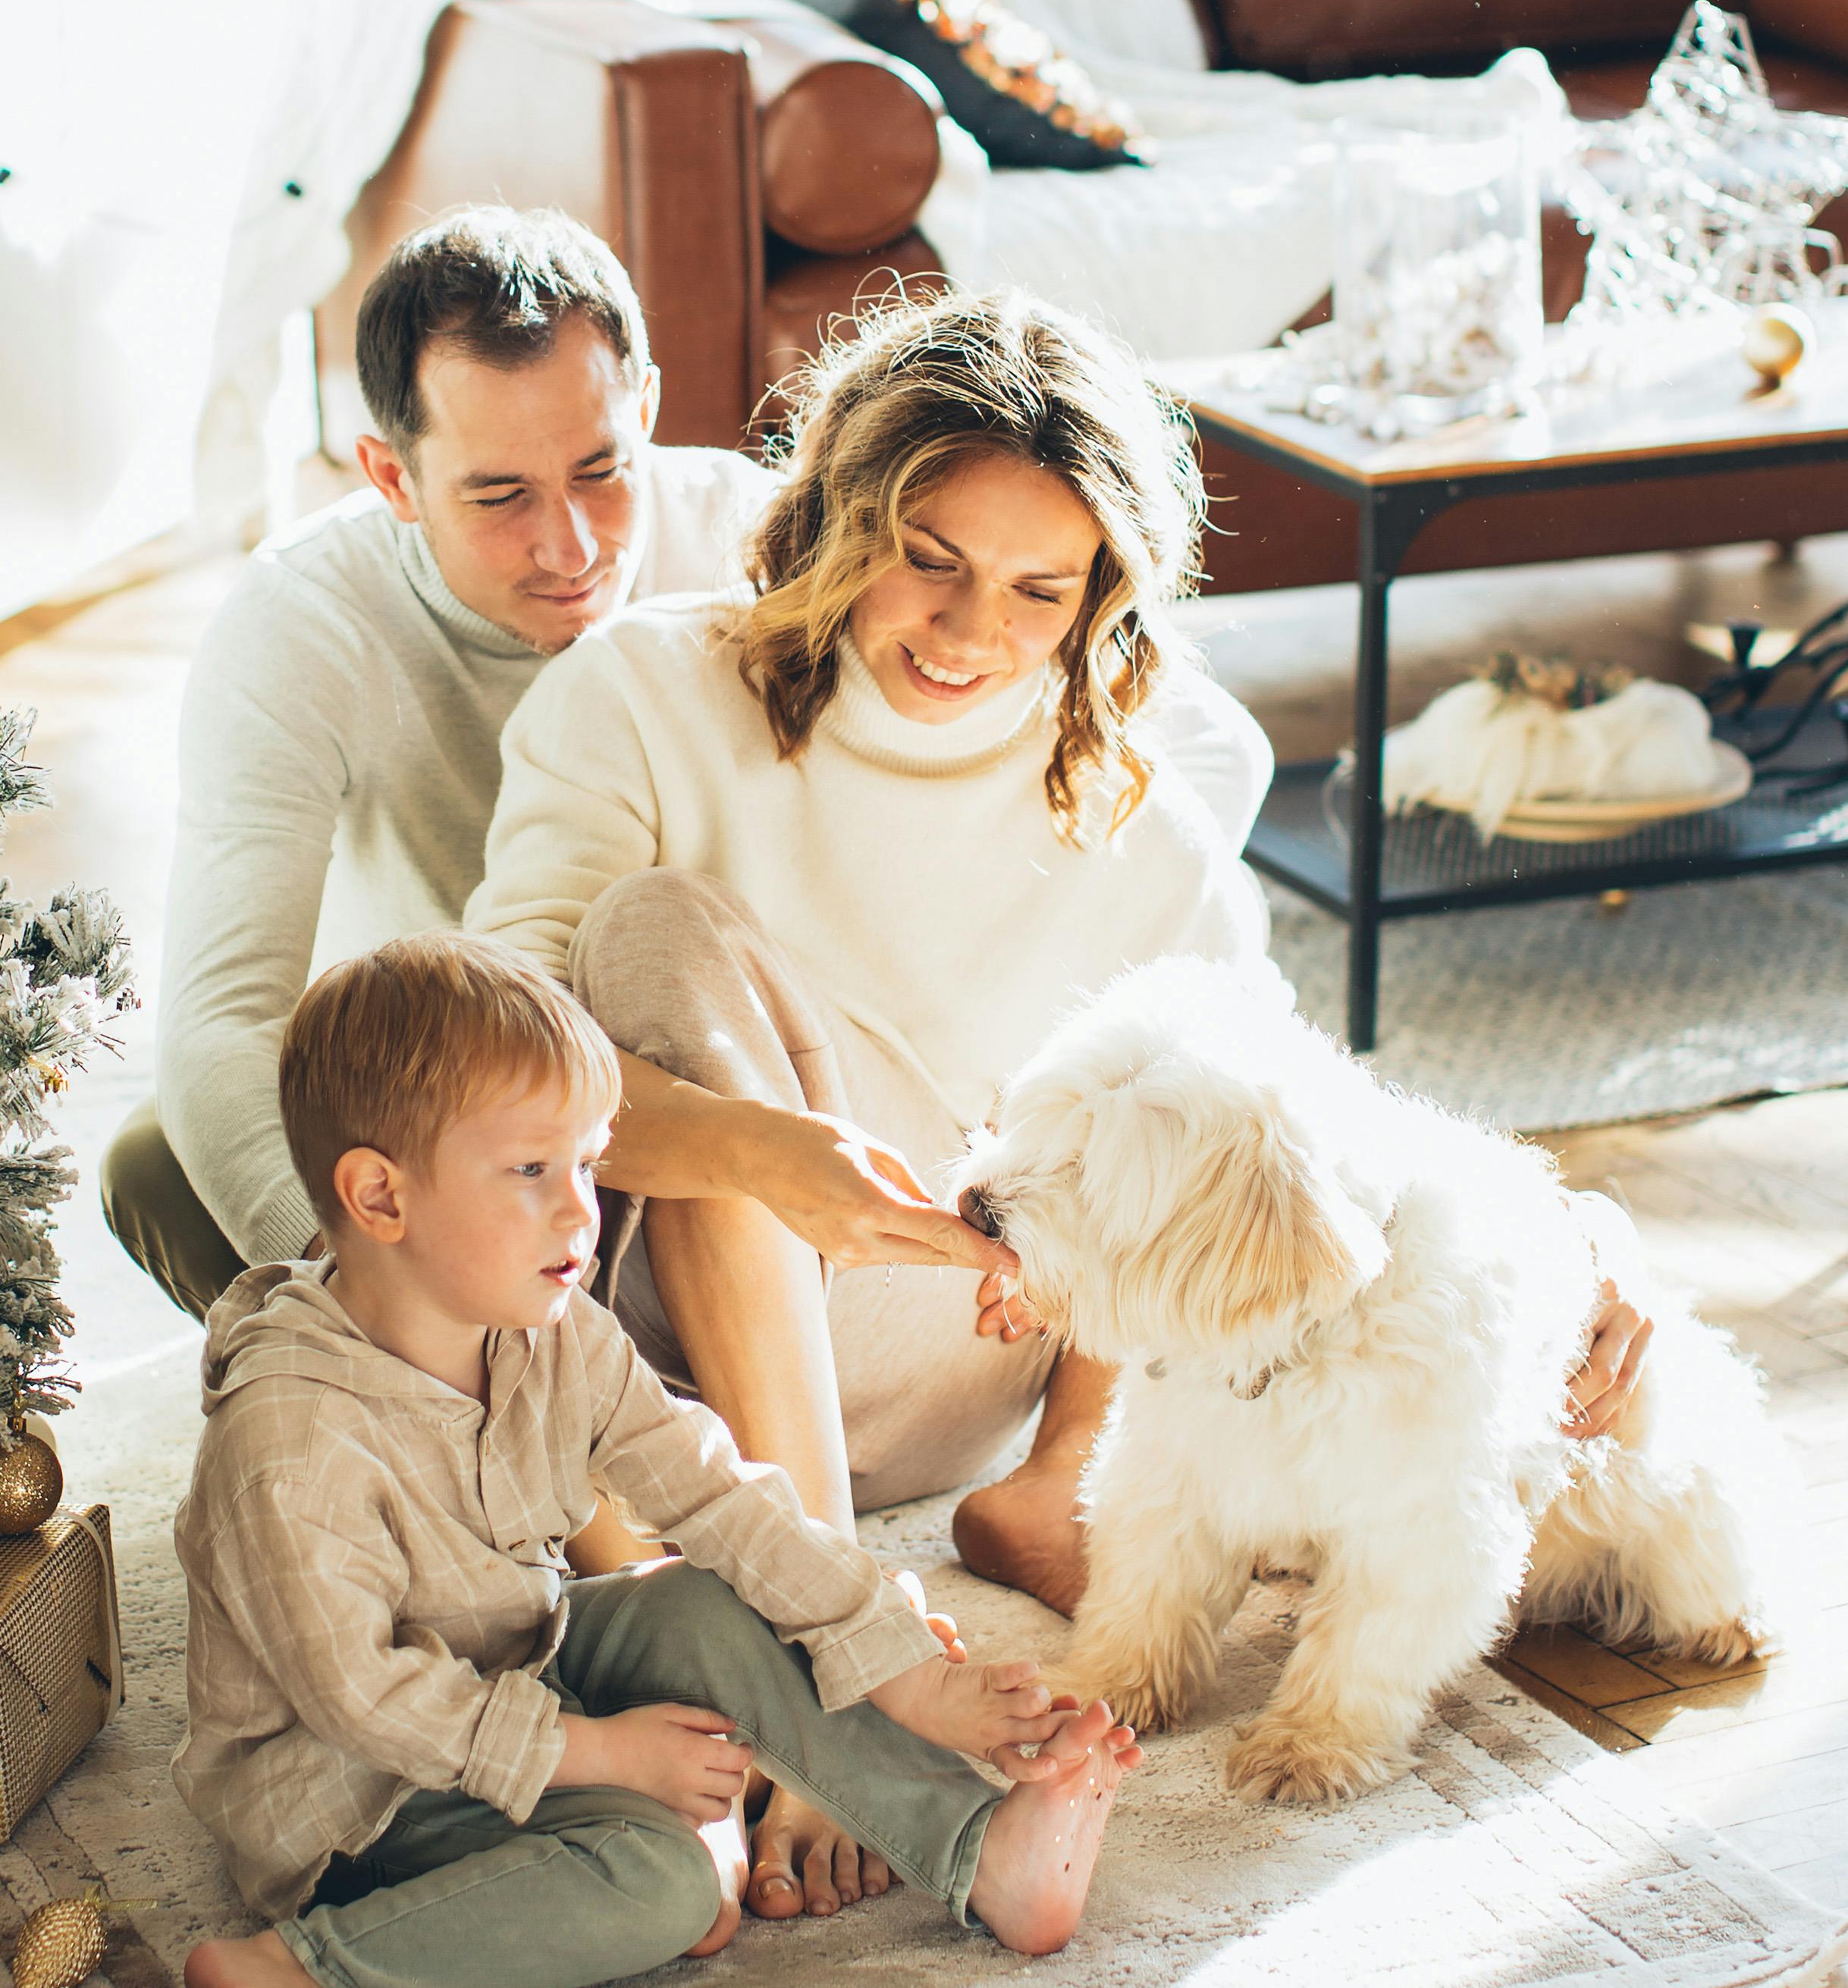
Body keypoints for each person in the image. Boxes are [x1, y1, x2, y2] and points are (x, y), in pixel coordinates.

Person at [469, 288, 1652, 1904]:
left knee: (1167, 1098)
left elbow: (1290, 1126)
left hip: (981, 1341)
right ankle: (841, 1639)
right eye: (932, 558)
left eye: (1041, 589)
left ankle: (1053, 1491)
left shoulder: (1147, 791)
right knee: (643, 933)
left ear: (1103, 594)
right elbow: (484, 1083)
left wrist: (1569, 1234)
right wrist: (759, 1152)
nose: (969, 632)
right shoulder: (638, 694)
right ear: (828, 515)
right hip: (681, 1345)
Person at [106, 203, 1274, 1320]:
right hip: (470, 1074)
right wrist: (371, 1302)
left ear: (649, 409)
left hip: (719, 1061)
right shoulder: (299, 626)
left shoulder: (770, 536)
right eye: (500, 494)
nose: (569, 545)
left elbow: (1196, 743)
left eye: (604, 470)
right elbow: (223, 1019)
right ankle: (409, 1397)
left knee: (666, 958)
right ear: (391, 476)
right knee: (160, 1164)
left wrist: (1010, 960)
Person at [175, 937, 1137, 1988]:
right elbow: (363, 1703)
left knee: (699, 1595)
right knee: (664, 1888)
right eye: (532, 1169)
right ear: (381, 1196)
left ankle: (981, 1854)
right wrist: (607, 1756)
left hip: (520, 1662)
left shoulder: (546, 1329)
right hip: (357, 1796)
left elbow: (719, 1494)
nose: (580, 1210)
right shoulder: (292, 1434)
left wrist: (904, 1674)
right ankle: (305, 1969)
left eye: (587, 1162)